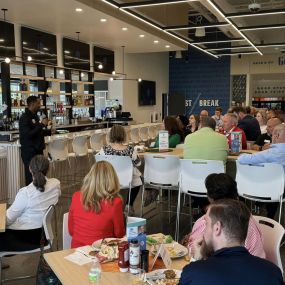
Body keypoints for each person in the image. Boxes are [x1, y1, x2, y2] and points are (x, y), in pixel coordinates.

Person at [179, 200, 283, 285]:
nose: (204, 231)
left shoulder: (193, 274)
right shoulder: (273, 272)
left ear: (217, 228)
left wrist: (196, 264)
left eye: (206, 223)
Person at [182, 173, 265, 258]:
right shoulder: (247, 216)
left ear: (210, 197)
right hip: (255, 265)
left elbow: (192, 252)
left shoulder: (208, 222)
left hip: (224, 267)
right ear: (235, 193)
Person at [0, 155, 60, 251]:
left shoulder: (25, 193)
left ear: (29, 169)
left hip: (25, 238)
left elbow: (7, 220)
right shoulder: (56, 184)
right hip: (44, 235)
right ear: (48, 169)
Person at [68, 161, 125, 248]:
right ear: (112, 179)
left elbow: (71, 231)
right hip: (103, 253)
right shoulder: (115, 203)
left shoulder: (76, 196)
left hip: (76, 252)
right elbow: (119, 234)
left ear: (90, 177)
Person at [238, 124, 285, 218]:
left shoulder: (269, 153)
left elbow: (241, 159)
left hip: (255, 190)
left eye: (272, 135)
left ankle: (245, 214)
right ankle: (270, 216)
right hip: (280, 193)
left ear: (277, 136)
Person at [98, 125, 142, 215]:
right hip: (127, 180)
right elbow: (138, 163)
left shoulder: (104, 149)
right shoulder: (130, 149)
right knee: (138, 178)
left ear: (110, 135)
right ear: (123, 135)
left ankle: (109, 203)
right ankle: (129, 204)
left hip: (110, 180)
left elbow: (99, 161)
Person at [19, 96, 51, 185]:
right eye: (38, 103)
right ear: (32, 104)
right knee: (30, 176)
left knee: (40, 174)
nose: (39, 106)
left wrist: (48, 131)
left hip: (38, 150)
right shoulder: (24, 118)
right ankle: (31, 196)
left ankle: (40, 194)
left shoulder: (35, 116)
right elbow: (28, 135)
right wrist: (41, 124)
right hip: (29, 151)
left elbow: (37, 132)